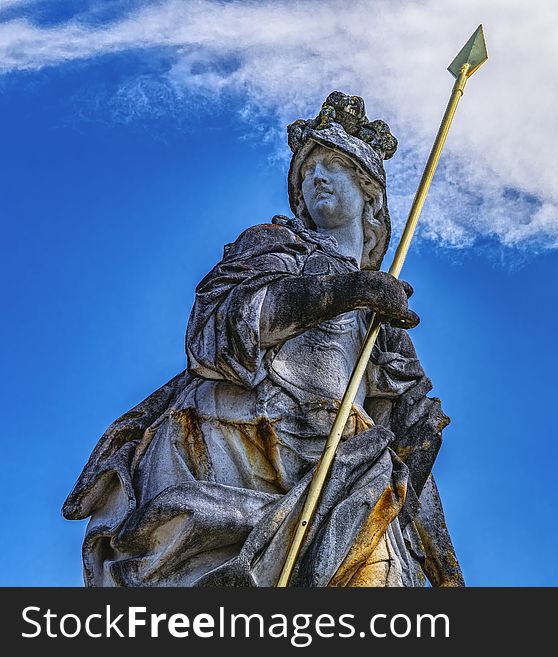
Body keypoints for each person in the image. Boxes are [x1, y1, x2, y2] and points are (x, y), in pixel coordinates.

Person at [62, 92, 464, 587]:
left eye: (332, 165)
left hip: (340, 468)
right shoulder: (272, 246)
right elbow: (215, 330)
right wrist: (342, 291)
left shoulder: (384, 324)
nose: (315, 175)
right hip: (243, 437)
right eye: (308, 167)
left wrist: (445, 570)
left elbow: (405, 444)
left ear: (369, 195)